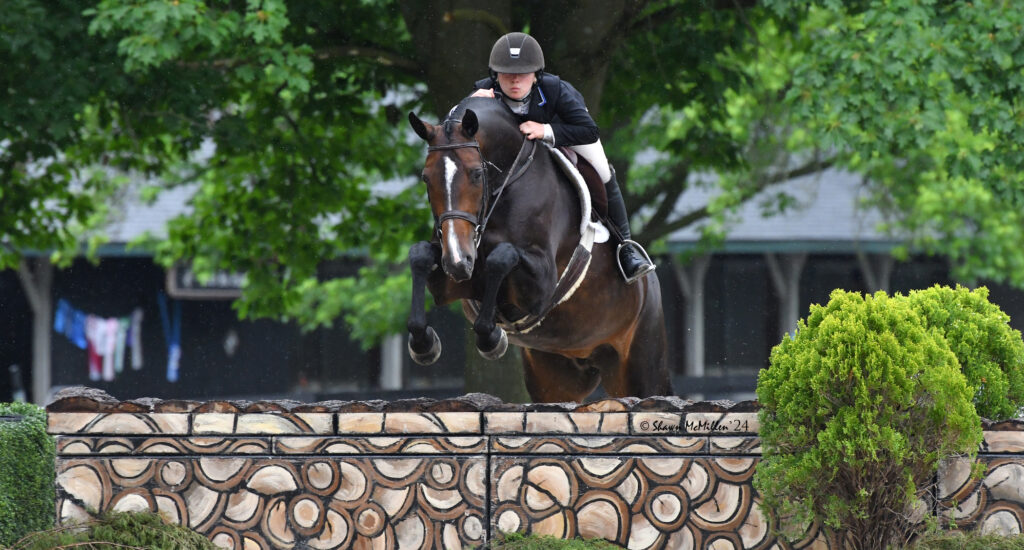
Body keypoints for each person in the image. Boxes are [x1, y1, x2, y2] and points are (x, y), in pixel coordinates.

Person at [471, 32, 656, 284]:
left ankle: (626, 246)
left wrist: (546, 131)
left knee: (602, 170)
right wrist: (468, 106)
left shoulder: (555, 89)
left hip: (566, 132)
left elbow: (589, 131)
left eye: (523, 73)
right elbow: (451, 127)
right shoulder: (483, 92)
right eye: (506, 73)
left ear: (536, 75)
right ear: (495, 76)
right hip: (512, 154)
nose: (515, 80)